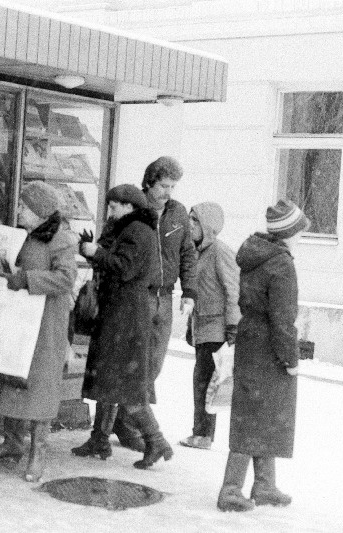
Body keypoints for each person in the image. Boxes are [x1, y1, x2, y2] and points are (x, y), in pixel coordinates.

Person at [0, 181, 77, 483]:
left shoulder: (60, 241)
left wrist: (25, 278)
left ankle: (38, 452)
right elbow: (7, 273)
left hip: (45, 324)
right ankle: (12, 442)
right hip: (15, 318)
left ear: (39, 212)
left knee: (39, 385)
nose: (18, 210)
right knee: (9, 376)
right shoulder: (19, 235)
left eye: (24, 206)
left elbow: (65, 279)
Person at [74, 184, 173, 469]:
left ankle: (156, 442)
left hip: (125, 317)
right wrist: (94, 251)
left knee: (126, 384)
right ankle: (99, 439)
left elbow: (124, 267)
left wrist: (96, 253)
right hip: (122, 314)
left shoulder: (137, 231)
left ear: (130, 207)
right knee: (111, 379)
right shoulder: (131, 229)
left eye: (115, 205)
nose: (110, 210)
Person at [217, 199, 307, 512]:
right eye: (299, 231)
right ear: (289, 233)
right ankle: (230, 490)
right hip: (268, 346)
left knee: (258, 413)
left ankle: (264, 485)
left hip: (250, 339)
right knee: (255, 417)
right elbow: (283, 319)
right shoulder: (281, 263)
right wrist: (291, 359)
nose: (300, 237)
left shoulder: (256, 255)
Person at [111, 156, 198, 453]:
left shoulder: (177, 213)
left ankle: (127, 416)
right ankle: (127, 422)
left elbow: (187, 253)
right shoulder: (134, 208)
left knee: (154, 365)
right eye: (163, 185)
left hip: (166, 295)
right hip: (139, 294)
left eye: (173, 186)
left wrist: (190, 291)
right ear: (149, 182)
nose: (168, 192)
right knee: (135, 362)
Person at [179, 202, 240, 450]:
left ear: (207, 226)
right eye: (190, 219)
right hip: (202, 326)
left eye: (195, 220)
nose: (189, 225)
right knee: (202, 380)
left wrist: (233, 326)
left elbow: (233, 289)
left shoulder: (219, 251)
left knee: (205, 381)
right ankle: (202, 433)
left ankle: (203, 434)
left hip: (217, 328)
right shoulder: (198, 252)